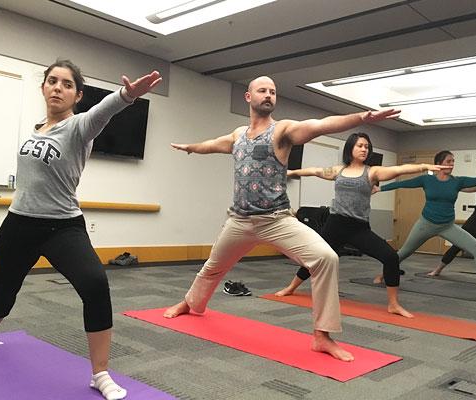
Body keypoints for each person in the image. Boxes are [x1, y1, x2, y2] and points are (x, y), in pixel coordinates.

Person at [0, 59, 162, 400]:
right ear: (43, 87)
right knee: (4, 289)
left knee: (94, 285)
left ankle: (100, 373)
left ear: (77, 94)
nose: (57, 88)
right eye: (52, 81)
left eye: (66, 84)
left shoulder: (79, 127)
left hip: (62, 227)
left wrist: (126, 95)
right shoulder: (35, 129)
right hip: (18, 223)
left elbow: (103, 112)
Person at [163, 76, 400, 362]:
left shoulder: (283, 131)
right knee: (213, 266)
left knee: (327, 258)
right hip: (239, 221)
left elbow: (320, 124)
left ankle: (322, 336)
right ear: (248, 97)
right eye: (262, 91)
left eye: (273, 92)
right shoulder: (238, 135)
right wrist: (191, 147)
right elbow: (214, 144)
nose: (269, 95)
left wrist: (362, 117)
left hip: (276, 220)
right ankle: (191, 304)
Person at [274, 133, 449, 318]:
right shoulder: (338, 171)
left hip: (358, 228)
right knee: (317, 259)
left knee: (390, 257)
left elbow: (399, 169)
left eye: (367, 146)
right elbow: (314, 171)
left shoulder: (372, 172)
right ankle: (291, 287)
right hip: (335, 225)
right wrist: (291, 172)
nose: (364, 149)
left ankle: (393, 304)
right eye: (360, 145)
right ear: (350, 148)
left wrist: (424, 166)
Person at [377, 150, 476, 300]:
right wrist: (380, 188)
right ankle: (382, 275)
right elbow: (404, 183)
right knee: (404, 252)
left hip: (447, 226)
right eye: (449, 161)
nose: (452, 164)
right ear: (438, 164)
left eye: (453, 161)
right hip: (426, 224)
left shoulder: (457, 181)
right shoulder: (427, 180)